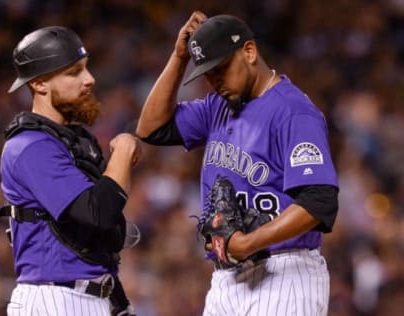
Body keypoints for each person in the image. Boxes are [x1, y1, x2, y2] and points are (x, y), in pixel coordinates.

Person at [136, 12, 339, 316]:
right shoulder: (218, 106)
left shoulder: (293, 111)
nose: (215, 81)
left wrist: (249, 242)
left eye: (221, 69)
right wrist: (179, 58)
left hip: (283, 274)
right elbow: (151, 128)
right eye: (207, 73)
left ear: (249, 51)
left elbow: (319, 201)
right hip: (225, 279)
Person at [0, 26, 140, 315]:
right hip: (54, 300)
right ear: (39, 84)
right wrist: (123, 153)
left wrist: (119, 303)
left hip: (92, 297)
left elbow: (92, 242)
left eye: (86, 68)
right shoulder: (30, 146)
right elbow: (97, 214)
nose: (90, 79)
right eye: (74, 72)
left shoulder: (73, 141)